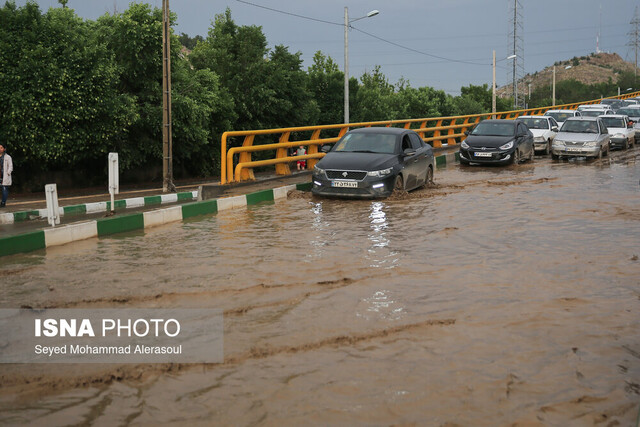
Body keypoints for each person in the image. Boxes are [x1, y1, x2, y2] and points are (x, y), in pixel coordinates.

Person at [0, 143, 13, 208]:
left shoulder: (8, 157)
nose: (0, 149)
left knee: (4, 189)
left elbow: (10, 166)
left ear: (4, 149)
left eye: (1, 148)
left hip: (4, 175)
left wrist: (8, 172)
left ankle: (3, 202)